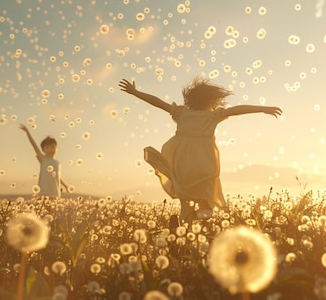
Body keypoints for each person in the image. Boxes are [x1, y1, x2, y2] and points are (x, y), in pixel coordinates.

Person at [119, 77, 282, 222]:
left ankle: (180, 234)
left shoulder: (181, 113)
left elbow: (158, 102)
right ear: (212, 100)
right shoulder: (213, 117)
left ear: (189, 99)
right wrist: (263, 108)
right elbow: (238, 109)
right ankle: (194, 219)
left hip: (181, 164)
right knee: (207, 209)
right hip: (204, 166)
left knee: (185, 205)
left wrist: (135, 92)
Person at [19, 124, 69, 197]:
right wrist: (27, 131)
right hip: (43, 192)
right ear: (43, 150)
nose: (50, 149)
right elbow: (34, 145)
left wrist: (66, 186)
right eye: (47, 147)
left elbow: (57, 177)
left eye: (52, 147)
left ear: (56, 148)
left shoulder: (58, 163)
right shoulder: (43, 159)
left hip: (55, 193)